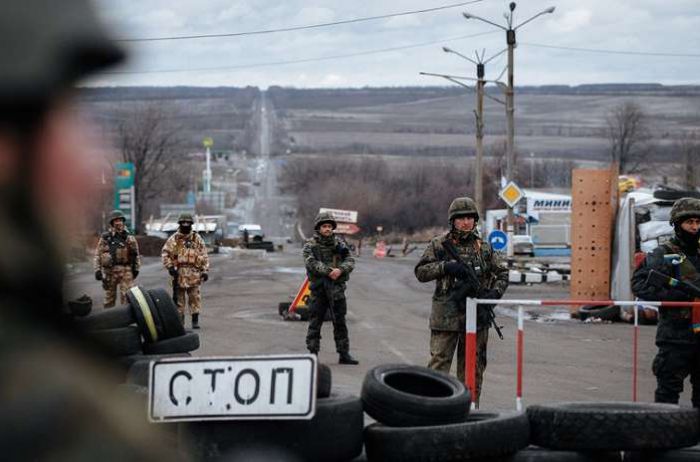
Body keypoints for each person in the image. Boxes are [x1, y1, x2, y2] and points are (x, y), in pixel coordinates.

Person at [0, 0, 178, 459]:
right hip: (117, 282)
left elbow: (137, 256)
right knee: (116, 310)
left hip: (140, 278)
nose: (88, 164)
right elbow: (106, 255)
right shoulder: (47, 414)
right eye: (64, 116)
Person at [415, 197, 508, 404]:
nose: (466, 222)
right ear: (452, 221)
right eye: (460, 218)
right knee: (438, 367)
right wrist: (445, 267)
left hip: (476, 316)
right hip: (445, 316)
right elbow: (420, 272)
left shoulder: (484, 248)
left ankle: (468, 410)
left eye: (469, 218)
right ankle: (432, 409)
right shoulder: (439, 245)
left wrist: (493, 296)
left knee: (472, 368)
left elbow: (503, 273)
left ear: (475, 220)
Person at [632, 197, 700, 407]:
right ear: (677, 224)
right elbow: (639, 284)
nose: (695, 227)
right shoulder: (665, 254)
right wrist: (675, 296)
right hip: (676, 336)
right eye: (689, 222)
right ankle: (665, 436)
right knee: (668, 392)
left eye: (698, 222)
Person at [303, 212, 359, 364]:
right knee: (315, 323)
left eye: (329, 226)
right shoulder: (310, 245)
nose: (327, 229)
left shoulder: (339, 244)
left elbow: (350, 260)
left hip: (336, 290)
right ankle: (313, 354)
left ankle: (344, 354)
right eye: (324, 226)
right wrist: (329, 272)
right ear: (318, 228)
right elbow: (311, 263)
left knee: (340, 323)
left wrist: (340, 270)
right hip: (319, 290)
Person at [162, 213, 209, 329]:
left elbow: (204, 255)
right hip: (179, 273)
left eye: (188, 223)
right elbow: (165, 253)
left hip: (194, 273)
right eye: (183, 223)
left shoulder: (196, 239)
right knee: (179, 299)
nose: (185, 225)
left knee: (195, 298)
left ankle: (195, 320)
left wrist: (205, 271)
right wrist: (170, 267)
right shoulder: (175, 239)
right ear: (180, 224)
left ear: (191, 224)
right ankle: (180, 322)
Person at [93, 209, 141, 307]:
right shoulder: (106, 237)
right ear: (112, 222)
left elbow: (136, 254)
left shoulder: (129, 237)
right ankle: (109, 319)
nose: (118, 222)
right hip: (109, 271)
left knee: (127, 298)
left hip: (126, 270)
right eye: (116, 220)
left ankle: (126, 319)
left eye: (120, 220)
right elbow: (98, 254)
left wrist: (136, 268)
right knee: (109, 299)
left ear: (123, 221)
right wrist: (97, 270)